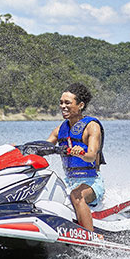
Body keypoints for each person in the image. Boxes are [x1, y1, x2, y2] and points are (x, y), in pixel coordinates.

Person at [45, 83, 105, 231]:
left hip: (91, 182)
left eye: (67, 103)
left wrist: (82, 153)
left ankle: (90, 239)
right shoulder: (61, 129)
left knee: (77, 196)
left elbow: (91, 155)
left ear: (80, 105)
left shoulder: (92, 126)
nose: (63, 106)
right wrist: (19, 149)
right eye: (61, 102)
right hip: (68, 182)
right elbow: (43, 147)